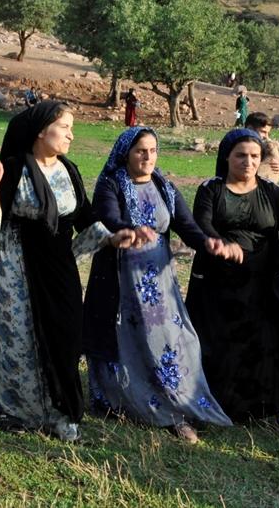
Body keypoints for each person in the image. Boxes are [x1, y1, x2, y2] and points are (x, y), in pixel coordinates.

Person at [0, 100, 134, 442]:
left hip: (59, 268)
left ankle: (63, 411)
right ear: (40, 131)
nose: (71, 136)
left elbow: (86, 218)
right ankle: (18, 412)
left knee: (65, 336)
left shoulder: (69, 170)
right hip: (19, 265)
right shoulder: (15, 167)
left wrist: (113, 236)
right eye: (65, 127)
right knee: (17, 338)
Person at [82, 126, 233, 443]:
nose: (148, 157)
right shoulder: (112, 184)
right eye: (140, 151)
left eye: (152, 150)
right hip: (121, 282)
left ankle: (179, 404)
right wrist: (129, 229)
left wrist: (209, 244)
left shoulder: (164, 186)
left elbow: (187, 226)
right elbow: (107, 217)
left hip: (160, 284)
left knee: (172, 341)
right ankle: (143, 409)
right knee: (127, 345)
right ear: (127, 154)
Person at [186, 128, 279, 442]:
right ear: (226, 156)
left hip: (261, 281)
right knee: (214, 342)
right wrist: (216, 243)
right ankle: (208, 405)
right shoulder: (211, 189)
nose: (248, 161)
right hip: (218, 282)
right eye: (240, 155)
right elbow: (201, 222)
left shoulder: (272, 192)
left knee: (268, 343)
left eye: (255, 156)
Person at [246, 111, 279, 313]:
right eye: (261, 132)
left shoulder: (265, 146)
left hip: (269, 205)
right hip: (244, 207)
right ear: (249, 128)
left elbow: (277, 166)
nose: (265, 136)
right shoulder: (236, 145)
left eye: (267, 132)